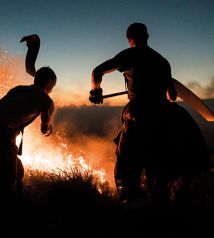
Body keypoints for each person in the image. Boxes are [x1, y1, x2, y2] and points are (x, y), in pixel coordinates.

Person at [89, 23, 211, 204]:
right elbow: (173, 95)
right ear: (147, 36)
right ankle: (163, 200)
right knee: (161, 163)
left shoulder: (129, 54)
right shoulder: (163, 61)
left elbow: (97, 72)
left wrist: (96, 92)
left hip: (139, 113)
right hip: (167, 113)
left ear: (129, 39)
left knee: (125, 167)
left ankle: (131, 206)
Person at [0, 34, 56, 207]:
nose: (52, 90)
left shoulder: (18, 89)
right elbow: (44, 129)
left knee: (17, 172)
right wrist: (48, 125)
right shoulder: (46, 101)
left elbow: (10, 109)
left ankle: (13, 204)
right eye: (52, 86)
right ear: (50, 83)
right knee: (3, 186)